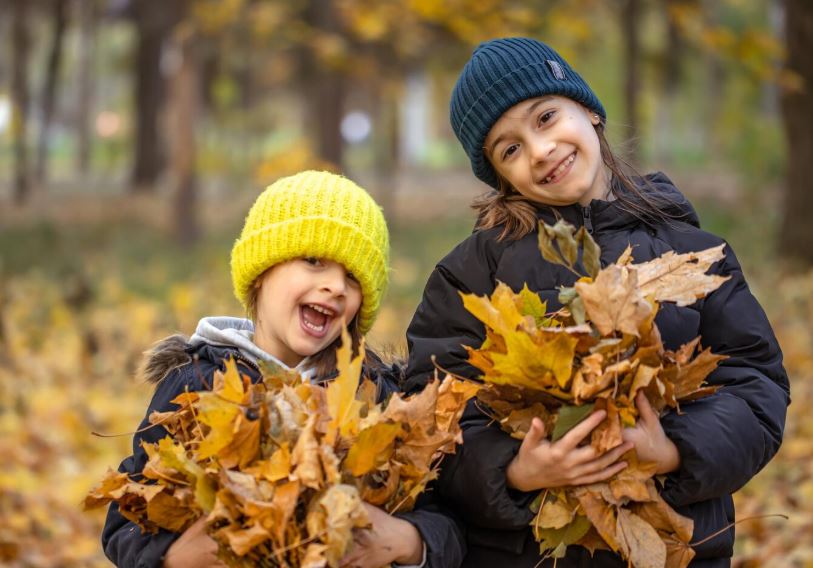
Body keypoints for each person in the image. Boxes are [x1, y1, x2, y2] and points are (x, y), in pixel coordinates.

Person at [404, 38, 789, 567]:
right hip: (532, 554)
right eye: (509, 148)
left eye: (545, 118)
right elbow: (430, 414)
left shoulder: (694, 255)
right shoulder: (470, 276)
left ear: (588, 110)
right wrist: (514, 471)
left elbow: (756, 386)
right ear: (498, 175)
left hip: (677, 548)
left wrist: (675, 450)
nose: (539, 151)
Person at [102, 171, 464, 568]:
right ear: (261, 273)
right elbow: (127, 518)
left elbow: (446, 521)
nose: (335, 286)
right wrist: (172, 557)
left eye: (352, 278)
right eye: (313, 261)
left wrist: (408, 541)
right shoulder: (196, 384)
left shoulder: (373, 396)